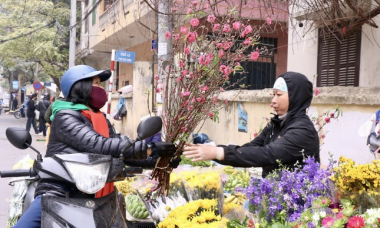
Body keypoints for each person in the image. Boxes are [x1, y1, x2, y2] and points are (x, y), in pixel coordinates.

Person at [13, 65, 178, 228]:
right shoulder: (65, 117)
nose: (101, 88)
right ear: (80, 87)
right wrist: (150, 147)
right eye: (97, 83)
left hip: (98, 196)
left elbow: (120, 153)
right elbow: (99, 145)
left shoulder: (99, 118)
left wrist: (157, 160)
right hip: (60, 192)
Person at [183, 72, 320, 178]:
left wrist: (219, 152)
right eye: (273, 95)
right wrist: (215, 152)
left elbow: (268, 154)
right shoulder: (276, 124)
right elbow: (251, 148)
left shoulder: (303, 131)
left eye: (279, 95)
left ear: (295, 96)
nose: (273, 101)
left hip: (297, 206)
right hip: (275, 198)